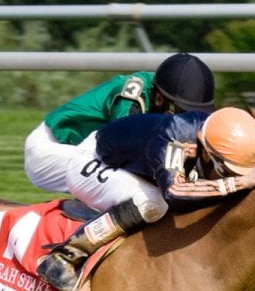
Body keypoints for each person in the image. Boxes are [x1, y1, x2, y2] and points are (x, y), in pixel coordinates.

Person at [37, 107, 255, 291]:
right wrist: (237, 183)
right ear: (206, 152)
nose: (231, 177)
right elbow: (175, 192)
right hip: (93, 162)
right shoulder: (173, 140)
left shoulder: (215, 136)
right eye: (226, 171)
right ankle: (65, 257)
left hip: (131, 162)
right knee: (154, 203)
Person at [24, 53, 216, 193]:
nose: (186, 121)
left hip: (87, 150)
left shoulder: (158, 94)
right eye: (180, 112)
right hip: (51, 150)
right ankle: (79, 243)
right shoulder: (133, 96)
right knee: (144, 193)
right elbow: (123, 151)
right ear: (159, 98)